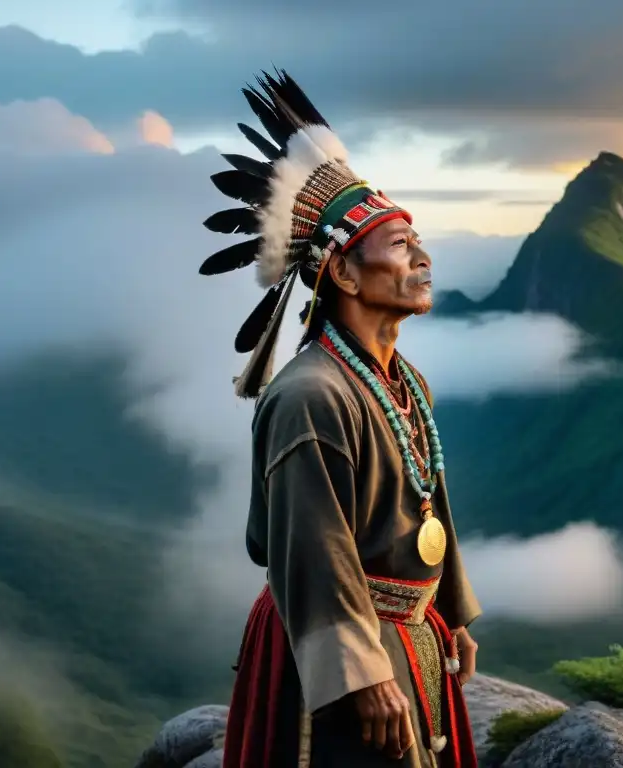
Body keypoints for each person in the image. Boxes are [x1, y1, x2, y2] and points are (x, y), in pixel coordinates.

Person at [198, 70, 482, 768]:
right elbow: (310, 550)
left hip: (408, 636)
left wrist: (449, 612)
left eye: (418, 242)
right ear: (347, 277)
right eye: (399, 247)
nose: (423, 258)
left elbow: (426, 502)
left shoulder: (404, 383)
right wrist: (362, 673)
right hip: (333, 658)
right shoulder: (310, 396)